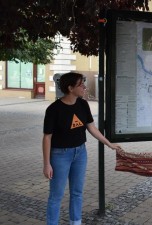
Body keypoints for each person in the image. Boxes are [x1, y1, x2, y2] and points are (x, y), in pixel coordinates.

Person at [42, 72, 121, 225]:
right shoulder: (53, 109)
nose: (84, 87)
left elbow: (91, 128)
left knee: (77, 193)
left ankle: (75, 222)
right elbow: (47, 137)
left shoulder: (83, 104)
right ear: (70, 88)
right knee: (56, 196)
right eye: (81, 84)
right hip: (60, 156)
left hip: (80, 153)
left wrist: (108, 143)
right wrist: (47, 164)